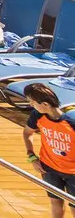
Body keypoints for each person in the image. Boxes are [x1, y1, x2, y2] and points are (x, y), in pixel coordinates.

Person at [22, 82, 75, 218]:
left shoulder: (71, 122)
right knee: (55, 202)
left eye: (32, 102)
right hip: (49, 168)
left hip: (73, 172)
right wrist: (32, 156)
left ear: (45, 104)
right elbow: (27, 133)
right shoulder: (37, 115)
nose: (31, 105)